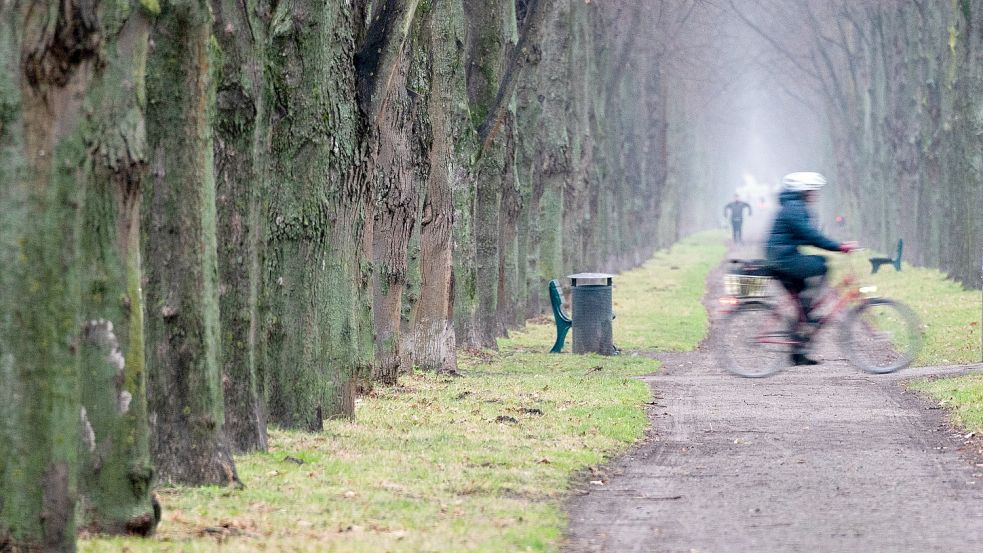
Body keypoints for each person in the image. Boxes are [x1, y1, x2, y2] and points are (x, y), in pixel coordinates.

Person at [765, 172, 858, 366]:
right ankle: (808, 310)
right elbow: (810, 235)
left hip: (782, 257)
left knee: (802, 304)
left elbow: (808, 235)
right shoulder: (794, 208)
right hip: (782, 259)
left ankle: (799, 352)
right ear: (803, 191)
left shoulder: (794, 206)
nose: (814, 194)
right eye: (812, 190)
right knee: (821, 265)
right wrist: (839, 247)